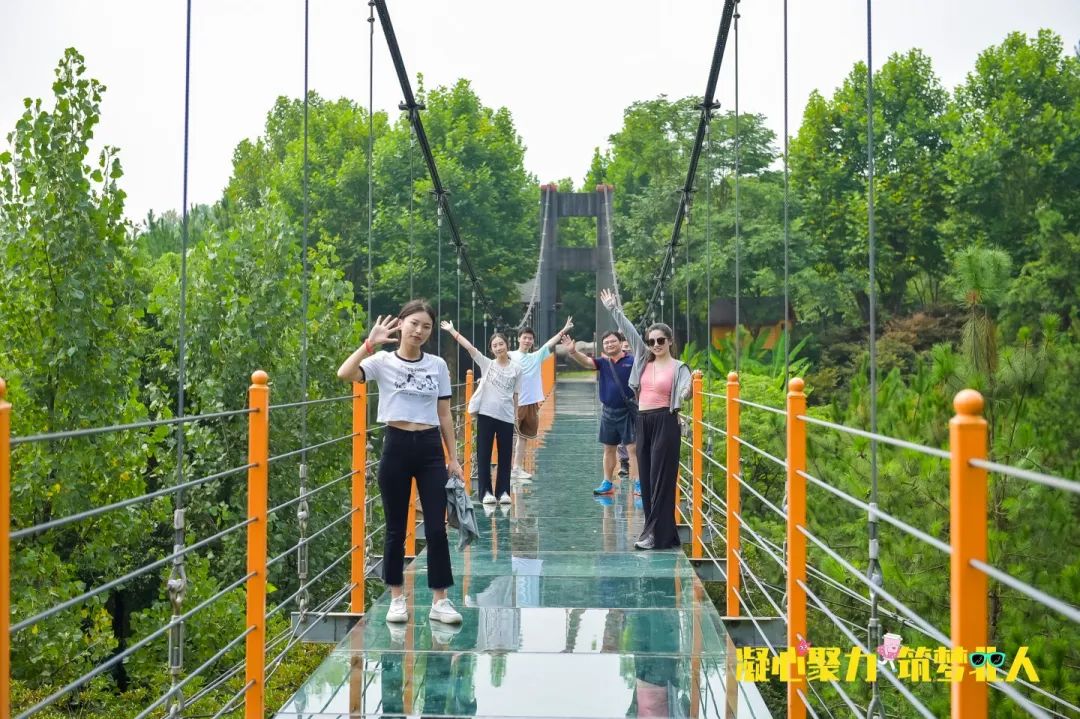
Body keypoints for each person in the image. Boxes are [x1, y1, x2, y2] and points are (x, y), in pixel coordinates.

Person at [336, 301, 463, 625]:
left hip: (431, 448)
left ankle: (440, 600)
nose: (419, 331)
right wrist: (369, 343)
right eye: (414, 324)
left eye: (426, 327)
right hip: (396, 444)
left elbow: (444, 413)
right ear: (402, 324)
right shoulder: (381, 361)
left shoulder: (437, 366)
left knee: (436, 527)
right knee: (395, 528)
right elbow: (345, 373)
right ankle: (396, 598)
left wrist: (454, 458)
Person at [600, 288, 692, 550]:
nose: (655, 345)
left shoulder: (679, 367)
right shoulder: (643, 358)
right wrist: (613, 309)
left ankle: (654, 534)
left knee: (662, 477)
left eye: (660, 341)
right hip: (643, 420)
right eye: (651, 341)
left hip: (666, 420)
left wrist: (688, 390)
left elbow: (685, 391)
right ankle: (658, 533)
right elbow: (628, 331)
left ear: (670, 341)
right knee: (648, 479)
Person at [442, 321, 522, 506]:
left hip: (506, 416)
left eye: (501, 344)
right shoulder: (487, 364)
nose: (498, 347)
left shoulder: (517, 369)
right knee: (484, 454)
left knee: (505, 456)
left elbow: (516, 394)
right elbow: (470, 348)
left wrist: (516, 416)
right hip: (486, 414)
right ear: (491, 349)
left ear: (506, 346)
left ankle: (503, 492)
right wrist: (453, 331)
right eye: (495, 345)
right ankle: (486, 492)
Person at [562, 331, 639, 496]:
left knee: (632, 448)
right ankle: (607, 483)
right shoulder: (604, 362)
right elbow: (587, 362)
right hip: (608, 411)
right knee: (609, 448)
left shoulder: (632, 361)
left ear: (620, 342)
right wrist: (573, 351)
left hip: (627, 411)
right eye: (606, 343)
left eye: (613, 342)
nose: (610, 345)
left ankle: (638, 483)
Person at [509, 317, 575, 479]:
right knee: (511, 437)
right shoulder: (510, 355)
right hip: (515, 403)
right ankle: (508, 469)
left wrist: (564, 329)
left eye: (530, 338)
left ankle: (516, 469)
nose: (527, 340)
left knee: (524, 437)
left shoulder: (536, 356)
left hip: (532, 403)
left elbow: (550, 344)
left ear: (532, 342)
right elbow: (495, 365)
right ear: (519, 339)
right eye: (524, 337)